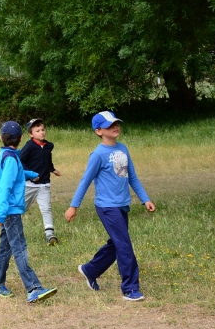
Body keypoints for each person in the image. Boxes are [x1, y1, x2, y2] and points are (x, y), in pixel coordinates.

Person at [65, 111, 156, 302]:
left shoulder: (123, 149)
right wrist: (74, 206)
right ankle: (130, 288)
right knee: (124, 246)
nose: (115, 127)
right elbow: (85, 181)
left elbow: (132, 176)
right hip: (107, 207)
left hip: (122, 205)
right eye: (109, 126)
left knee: (116, 244)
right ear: (98, 131)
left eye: (116, 123)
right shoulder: (97, 155)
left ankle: (90, 270)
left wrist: (145, 199)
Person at [0, 121, 57, 303]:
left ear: (1, 138)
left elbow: (12, 173)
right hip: (10, 212)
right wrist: (1, 213)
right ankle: (33, 288)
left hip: (9, 211)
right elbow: (5, 186)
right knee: (19, 249)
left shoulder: (6, 154)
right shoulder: (11, 159)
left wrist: (28, 174)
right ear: (21, 138)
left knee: (5, 249)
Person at [19, 118, 62, 245]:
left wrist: (52, 169)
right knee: (21, 207)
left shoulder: (49, 146)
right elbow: (20, 161)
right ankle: (10, 228)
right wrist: (30, 174)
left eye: (43, 129)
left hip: (44, 184)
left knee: (46, 208)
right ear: (31, 134)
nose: (41, 132)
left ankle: (50, 234)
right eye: (37, 131)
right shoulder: (29, 146)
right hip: (30, 185)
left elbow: (47, 160)